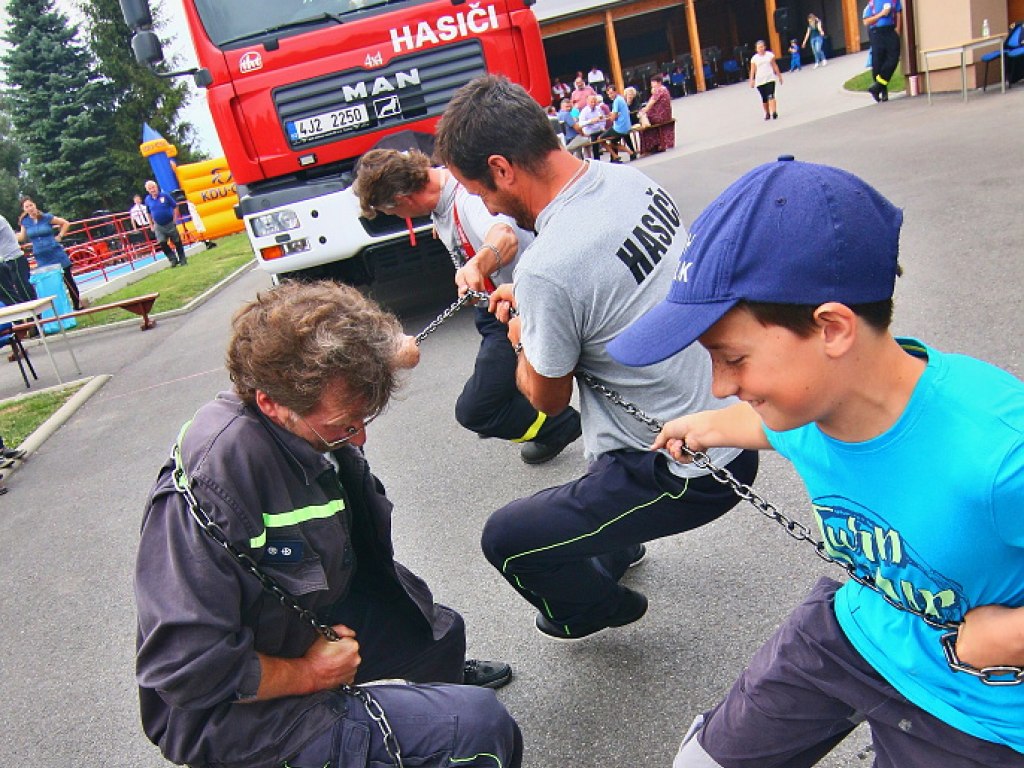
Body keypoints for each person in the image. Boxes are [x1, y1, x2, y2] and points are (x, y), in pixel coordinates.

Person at [607, 156, 1024, 768]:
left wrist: (1009, 636)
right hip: (863, 626)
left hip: (980, 702)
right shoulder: (811, 404)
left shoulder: (998, 451)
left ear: (831, 328)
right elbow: (775, 431)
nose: (720, 383)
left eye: (733, 358)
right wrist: (708, 426)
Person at [135, 280, 520, 768]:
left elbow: (389, 354)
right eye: (344, 424)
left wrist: (387, 349)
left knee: (437, 633)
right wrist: (311, 673)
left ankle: (430, 708)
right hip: (225, 711)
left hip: (304, 614)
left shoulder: (307, 405)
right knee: (479, 730)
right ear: (270, 403)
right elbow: (189, 670)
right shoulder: (218, 480)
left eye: (364, 419)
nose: (358, 437)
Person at [433, 75, 757, 641]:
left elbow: (547, 397)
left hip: (687, 467)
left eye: (480, 191)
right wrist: (542, 314)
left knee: (506, 538)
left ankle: (587, 610)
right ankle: (620, 542)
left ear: (502, 168)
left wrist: (521, 335)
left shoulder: (547, 269)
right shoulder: (624, 179)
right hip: (731, 417)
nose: (486, 205)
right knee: (591, 474)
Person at [353, 148, 582, 464]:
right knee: (495, 393)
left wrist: (477, 265)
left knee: (476, 410)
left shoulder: (468, 199)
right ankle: (543, 414)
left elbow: (504, 237)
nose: (398, 219)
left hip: (515, 307)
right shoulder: (442, 199)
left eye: (391, 213)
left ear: (401, 200)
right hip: (491, 310)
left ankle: (559, 424)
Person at [17, 197, 82, 311]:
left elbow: (65, 223)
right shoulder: (25, 222)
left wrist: (60, 236)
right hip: (41, 256)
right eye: (27, 207)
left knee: (68, 279)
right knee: (50, 283)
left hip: (55, 252)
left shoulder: (46, 217)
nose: (30, 208)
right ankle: (57, 310)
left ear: (35, 205)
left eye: (31, 205)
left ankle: (76, 305)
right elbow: (22, 237)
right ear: (24, 209)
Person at [864, 0, 903, 102]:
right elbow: (866, 21)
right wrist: (881, 14)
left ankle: (877, 87)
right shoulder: (872, 3)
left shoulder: (894, 1)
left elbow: (899, 12)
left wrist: (898, 29)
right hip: (876, 32)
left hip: (890, 31)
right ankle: (882, 90)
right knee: (878, 62)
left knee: (893, 58)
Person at [143, 179, 188, 267]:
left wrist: (175, 219)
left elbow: (175, 206)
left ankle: (182, 259)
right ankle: (172, 259)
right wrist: (151, 224)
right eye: (150, 188)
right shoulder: (148, 199)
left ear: (157, 187)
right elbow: (148, 212)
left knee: (177, 241)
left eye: (153, 187)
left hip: (170, 222)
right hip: (158, 225)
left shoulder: (165, 195)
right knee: (162, 242)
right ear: (147, 190)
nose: (152, 190)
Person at [0, 213, 36, 305]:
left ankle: (33, 315)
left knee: (23, 290)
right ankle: (30, 316)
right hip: (8, 259)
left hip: (15, 258)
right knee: (17, 291)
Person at [637, 74, 675, 155]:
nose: (652, 84)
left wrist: (644, 111)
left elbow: (651, 102)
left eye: (653, 82)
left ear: (658, 82)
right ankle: (656, 144)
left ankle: (650, 147)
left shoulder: (659, 90)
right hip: (665, 114)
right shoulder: (664, 89)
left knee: (644, 124)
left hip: (659, 116)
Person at [599, 84, 634, 162]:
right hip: (626, 125)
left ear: (615, 92)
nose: (610, 96)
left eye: (611, 93)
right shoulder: (621, 99)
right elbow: (615, 114)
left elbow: (613, 118)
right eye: (608, 94)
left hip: (619, 127)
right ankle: (617, 156)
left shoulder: (616, 101)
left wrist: (609, 117)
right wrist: (611, 116)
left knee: (600, 139)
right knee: (613, 142)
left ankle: (623, 154)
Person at [749, 39, 783, 121]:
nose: (760, 49)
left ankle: (774, 112)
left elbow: (775, 66)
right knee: (764, 98)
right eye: (759, 47)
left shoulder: (769, 55)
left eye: (762, 47)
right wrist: (752, 80)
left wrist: (779, 76)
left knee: (771, 95)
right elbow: (752, 70)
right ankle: (767, 113)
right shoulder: (754, 59)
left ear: (764, 47)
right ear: (756, 49)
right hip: (760, 81)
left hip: (770, 78)